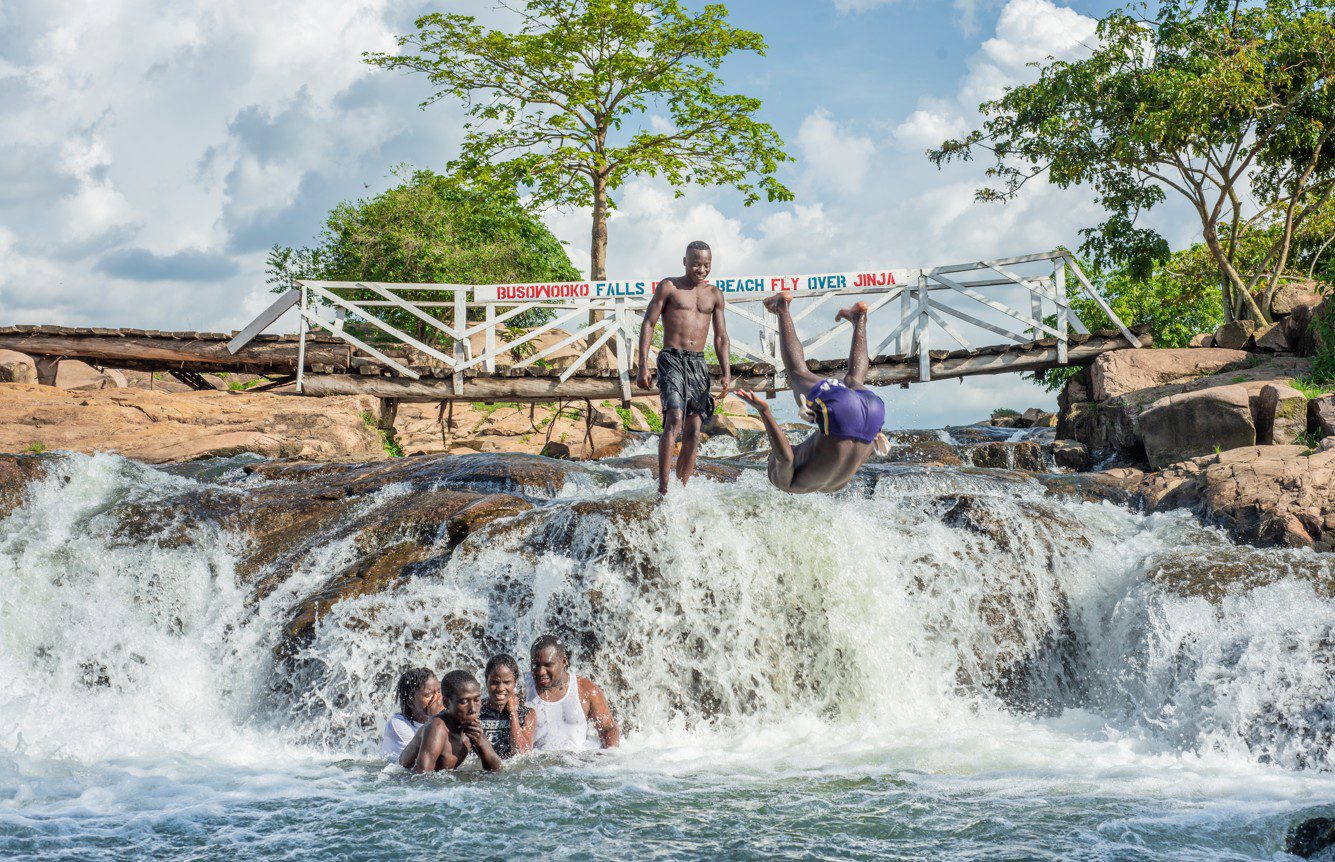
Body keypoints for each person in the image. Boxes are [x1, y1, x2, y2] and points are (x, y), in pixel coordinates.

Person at [733, 295, 888, 493]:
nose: (772, 457)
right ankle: (781, 308)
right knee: (798, 374)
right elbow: (784, 457)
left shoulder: (832, 485)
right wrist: (764, 411)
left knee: (855, 381)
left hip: (872, 420)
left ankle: (859, 318)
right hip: (846, 415)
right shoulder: (785, 483)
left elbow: (847, 438)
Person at [636, 240, 732, 495]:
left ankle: (682, 487)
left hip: (698, 363)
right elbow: (648, 323)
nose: (701, 269)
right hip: (671, 358)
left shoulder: (714, 294)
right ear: (685, 262)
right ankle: (664, 488)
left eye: (706, 265)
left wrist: (726, 373)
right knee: (675, 417)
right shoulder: (669, 286)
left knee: (695, 427)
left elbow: (721, 337)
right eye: (696, 264)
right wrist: (642, 366)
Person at [525, 635, 620, 750]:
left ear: (564, 661)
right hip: (540, 766)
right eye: (536, 665)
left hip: (577, 764)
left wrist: (609, 754)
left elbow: (608, 729)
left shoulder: (585, 690)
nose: (541, 671)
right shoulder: (523, 689)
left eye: (548, 665)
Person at [399, 669, 502, 773]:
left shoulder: (471, 726)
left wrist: (481, 742)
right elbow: (420, 776)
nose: (473, 709)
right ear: (446, 702)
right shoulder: (437, 728)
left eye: (476, 700)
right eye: (464, 701)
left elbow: (497, 771)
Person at [478, 653, 535, 759]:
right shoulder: (475, 710)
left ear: (515, 683)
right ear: (486, 680)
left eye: (507, 682)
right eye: (495, 682)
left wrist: (513, 712)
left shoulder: (527, 714)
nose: (500, 688)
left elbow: (523, 754)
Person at [380, 667, 442, 760]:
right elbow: (424, 762)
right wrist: (436, 719)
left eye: (439, 691)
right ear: (410, 702)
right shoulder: (398, 725)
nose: (437, 698)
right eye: (429, 695)